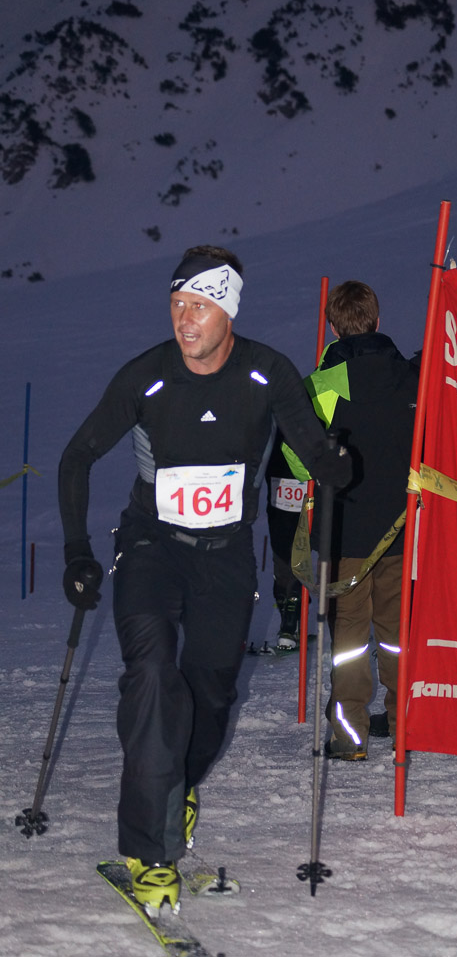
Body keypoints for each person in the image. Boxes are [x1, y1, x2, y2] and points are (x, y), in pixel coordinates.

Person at [58, 246, 351, 913]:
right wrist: (77, 552)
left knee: (211, 695)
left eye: (199, 306)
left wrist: (335, 465)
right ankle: (151, 852)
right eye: (177, 305)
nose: (185, 319)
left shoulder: (266, 370)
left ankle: (176, 784)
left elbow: (312, 445)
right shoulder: (146, 376)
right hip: (152, 546)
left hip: (226, 555)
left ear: (228, 311)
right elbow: (77, 456)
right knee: (154, 675)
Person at [285, 280, 418, 760]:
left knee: (349, 638)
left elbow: (299, 462)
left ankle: (350, 734)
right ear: (378, 321)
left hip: (345, 533)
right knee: (397, 633)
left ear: (333, 328)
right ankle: (404, 725)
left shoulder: (320, 387)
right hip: (403, 528)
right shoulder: (414, 378)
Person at [264, 435, 308, 650]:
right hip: (286, 463)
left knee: (291, 546)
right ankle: (290, 619)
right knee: (287, 547)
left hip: (293, 461)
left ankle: (290, 618)